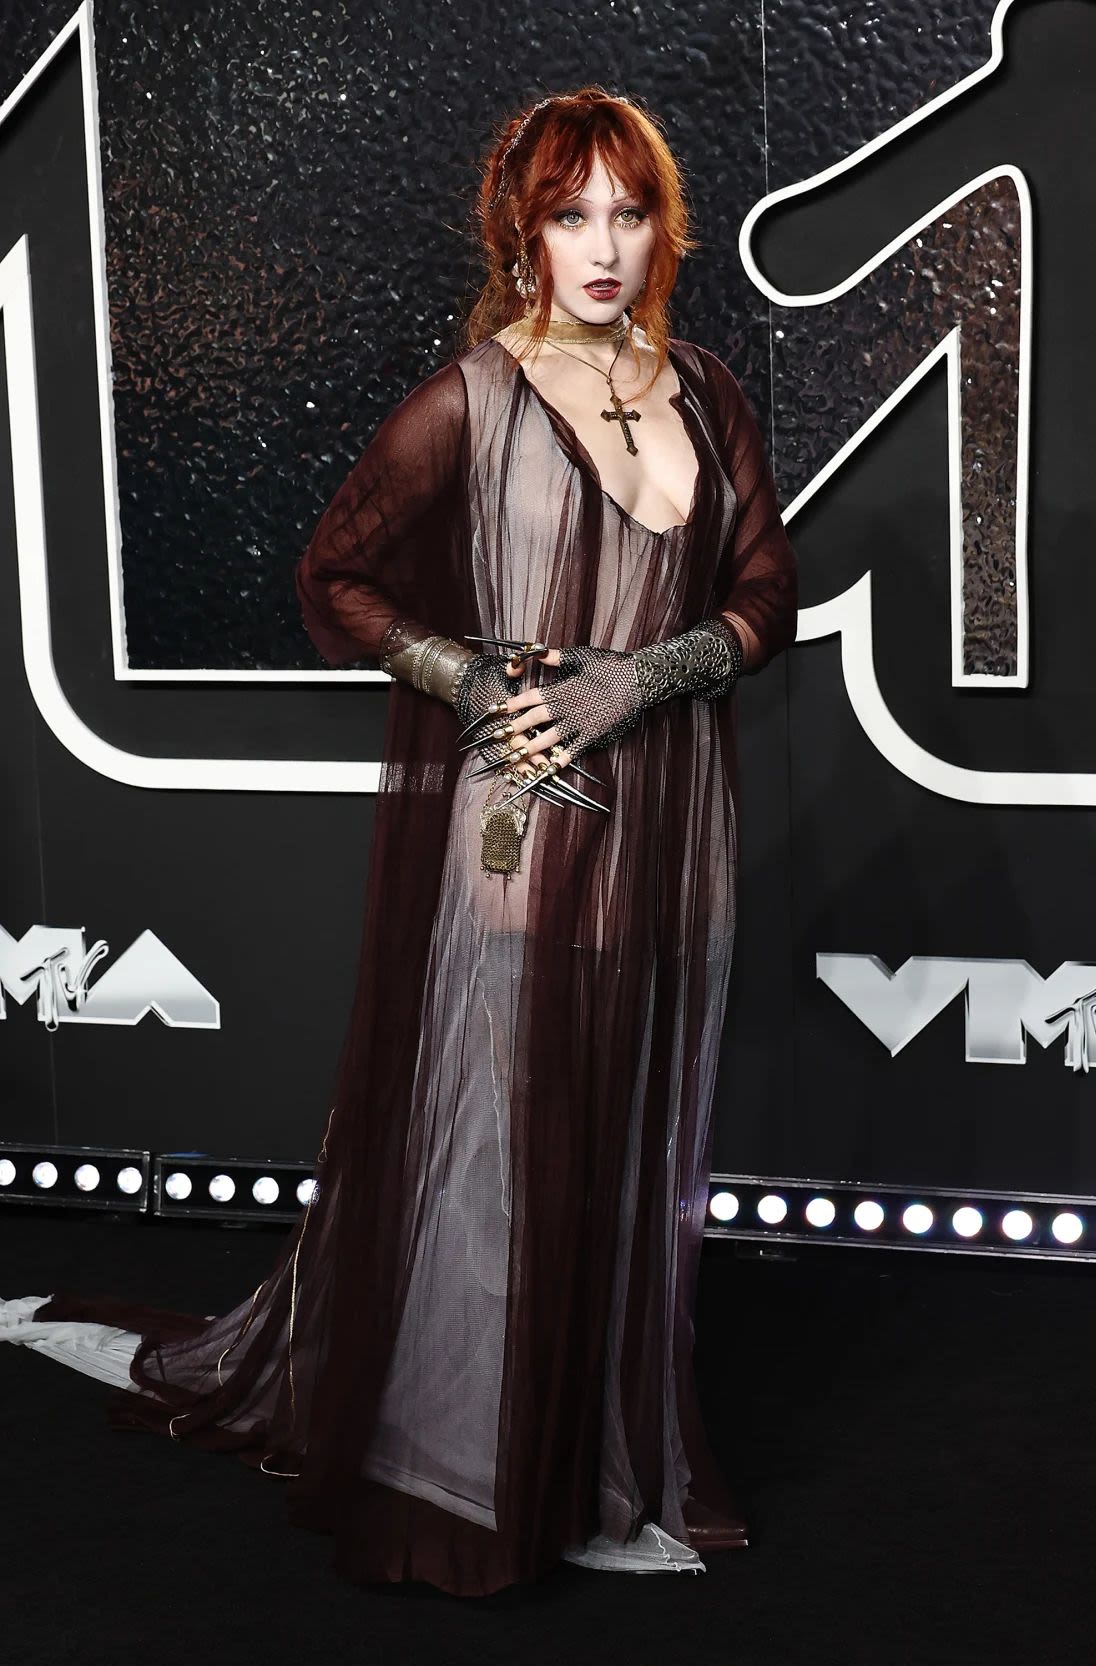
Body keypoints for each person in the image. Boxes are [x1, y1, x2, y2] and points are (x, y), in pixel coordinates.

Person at [0, 85, 798, 1597]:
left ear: (661, 224)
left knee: (618, 1155)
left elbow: (768, 585)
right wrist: (469, 675)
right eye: (571, 214)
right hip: (520, 831)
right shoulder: (473, 399)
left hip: (668, 838)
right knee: (498, 1155)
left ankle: (597, 1462)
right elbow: (338, 576)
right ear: (522, 228)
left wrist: (648, 670)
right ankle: (472, 1476)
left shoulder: (703, 390)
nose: (602, 244)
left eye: (627, 210)